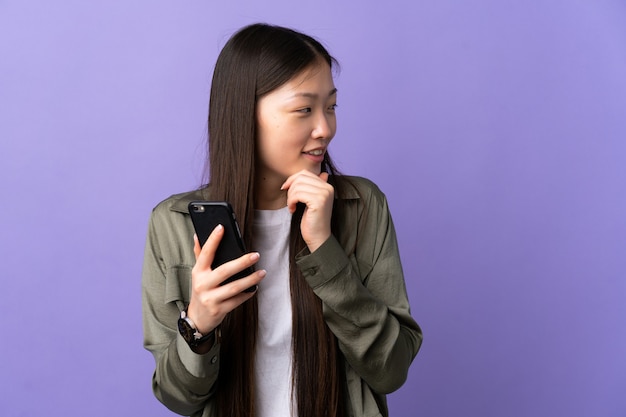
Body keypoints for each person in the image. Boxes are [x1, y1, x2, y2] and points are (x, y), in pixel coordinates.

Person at [142, 23, 422, 417]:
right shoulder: (172, 224)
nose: (325, 128)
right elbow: (177, 397)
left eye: (331, 106)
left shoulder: (362, 206)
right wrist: (198, 325)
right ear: (244, 115)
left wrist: (325, 250)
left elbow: (391, 370)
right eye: (304, 109)